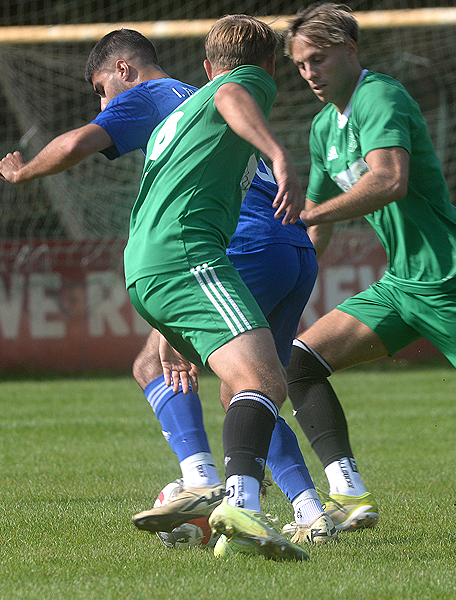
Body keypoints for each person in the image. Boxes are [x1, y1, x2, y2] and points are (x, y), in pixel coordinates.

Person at [0, 29, 334, 546]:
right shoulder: (201, 100)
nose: (105, 104)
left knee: (164, 367)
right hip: (291, 246)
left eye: (102, 90)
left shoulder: (157, 96)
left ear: (124, 70)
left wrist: (23, 172)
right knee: (247, 386)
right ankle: (309, 512)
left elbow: (77, 142)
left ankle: (205, 484)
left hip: (227, 247)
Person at [283, 2, 456, 532]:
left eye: (318, 59)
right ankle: (349, 495)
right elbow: (315, 228)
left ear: (350, 49)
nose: (309, 73)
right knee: (299, 363)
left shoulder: (379, 96)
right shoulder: (323, 128)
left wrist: (311, 214)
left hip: (451, 276)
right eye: (300, 65)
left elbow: (389, 179)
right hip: (401, 285)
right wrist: (282, 287)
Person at [124, 14, 320, 561]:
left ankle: (220, 493)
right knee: (259, 382)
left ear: (207, 66)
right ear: (273, 65)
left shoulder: (184, 109)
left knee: (248, 381)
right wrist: (279, 155)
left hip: (185, 257)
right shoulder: (233, 92)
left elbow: (229, 93)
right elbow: (235, 93)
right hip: (253, 250)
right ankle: (264, 503)